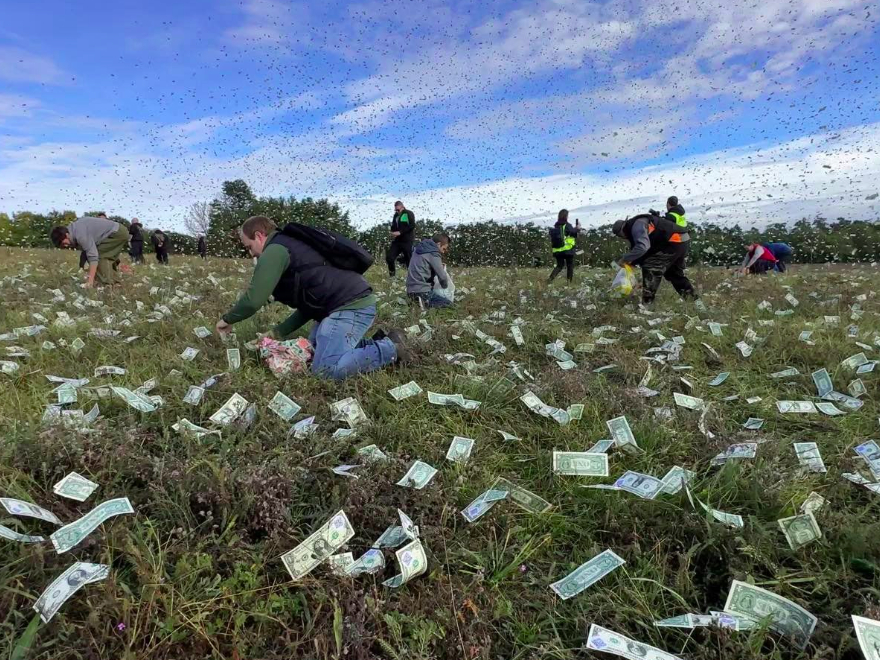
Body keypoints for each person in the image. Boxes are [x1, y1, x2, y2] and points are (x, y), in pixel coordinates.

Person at [215, 215, 405, 380]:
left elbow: (253, 300)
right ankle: (375, 344)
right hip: (342, 306)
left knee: (324, 370)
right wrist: (275, 334)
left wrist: (227, 320)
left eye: (249, 247)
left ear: (258, 235)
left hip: (351, 307)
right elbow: (309, 306)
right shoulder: (291, 246)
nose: (251, 254)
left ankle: (392, 349)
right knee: (311, 351)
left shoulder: (275, 249)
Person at [612, 212, 698, 305]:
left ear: (621, 232)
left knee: (651, 267)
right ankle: (696, 303)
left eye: (620, 236)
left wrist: (624, 259)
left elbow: (642, 247)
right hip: (681, 241)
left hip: (672, 242)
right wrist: (632, 263)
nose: (623, 238)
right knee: (674, 275)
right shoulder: (640, 223)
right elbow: (647, 250)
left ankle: (647, 305)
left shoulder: (637, 225)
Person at [50, 215, 130, 287]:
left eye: (64, 243)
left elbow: (93, 257)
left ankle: (107, 285)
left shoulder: (80, 235)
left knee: (102, 257)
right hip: (117, 231)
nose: (66, 246)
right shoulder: (73, 230)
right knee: (104, 256)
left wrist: (90, 282)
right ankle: (115, 284)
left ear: (66, 235)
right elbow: (86, 251)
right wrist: (82, 265)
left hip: (116, 233)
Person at [406, 233, 452, 308]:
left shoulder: (418, 248)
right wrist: (445, 287)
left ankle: (416, 302)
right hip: (422, 291)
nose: (443, 252)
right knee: (449, 304)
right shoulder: (434, 253)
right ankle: (424, 304)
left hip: (410, 291)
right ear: (439, 244)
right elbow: (442, 277)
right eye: (443, 248)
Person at [385, 200, 415, 277]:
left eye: (398, 210)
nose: (397, 211)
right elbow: (393, 226)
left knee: (409, 261)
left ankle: (412, 278)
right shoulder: (396, 215)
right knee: (389, 258)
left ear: (402, 207)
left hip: (407, 241)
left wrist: (400, 232)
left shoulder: (408, 213)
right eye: (395, 210)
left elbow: (412, 226)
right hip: (397, 241)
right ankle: (392, 277)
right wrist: (392, 232)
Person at [548, 209, 579, 283]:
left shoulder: (556, 226)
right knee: (569, 266)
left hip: (557, 250)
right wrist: (577, 228)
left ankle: (550, 279)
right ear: (566, 216)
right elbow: (574, 233)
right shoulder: (567, 225)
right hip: (567, 250)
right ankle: (569, 283)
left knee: (559, 266)